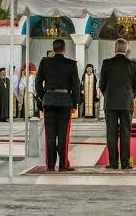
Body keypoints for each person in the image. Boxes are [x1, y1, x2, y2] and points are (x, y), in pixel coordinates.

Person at [35, 39, 80, 172]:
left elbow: (38, 82)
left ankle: (50, 165)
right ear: (64, 49)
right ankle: (63, 165)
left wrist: (43, 97)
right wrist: (74, 102)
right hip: (65, 102)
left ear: (54, 49)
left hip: (49, 101)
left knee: (50, 134)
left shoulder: (45, 62)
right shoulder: (71, 64)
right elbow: (76, 85)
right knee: (63, 135)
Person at [99, 39, 136, 170]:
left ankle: (113, 163)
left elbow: (101, 85)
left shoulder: (107, 63)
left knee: (111, 133)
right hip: (126, 103)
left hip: (110, 103)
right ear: (126, 50)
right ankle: (125, 163)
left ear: (115, 49)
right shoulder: (132, 64)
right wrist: (129, 96)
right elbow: (135, 85)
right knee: (126, 133)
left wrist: (108, 95)